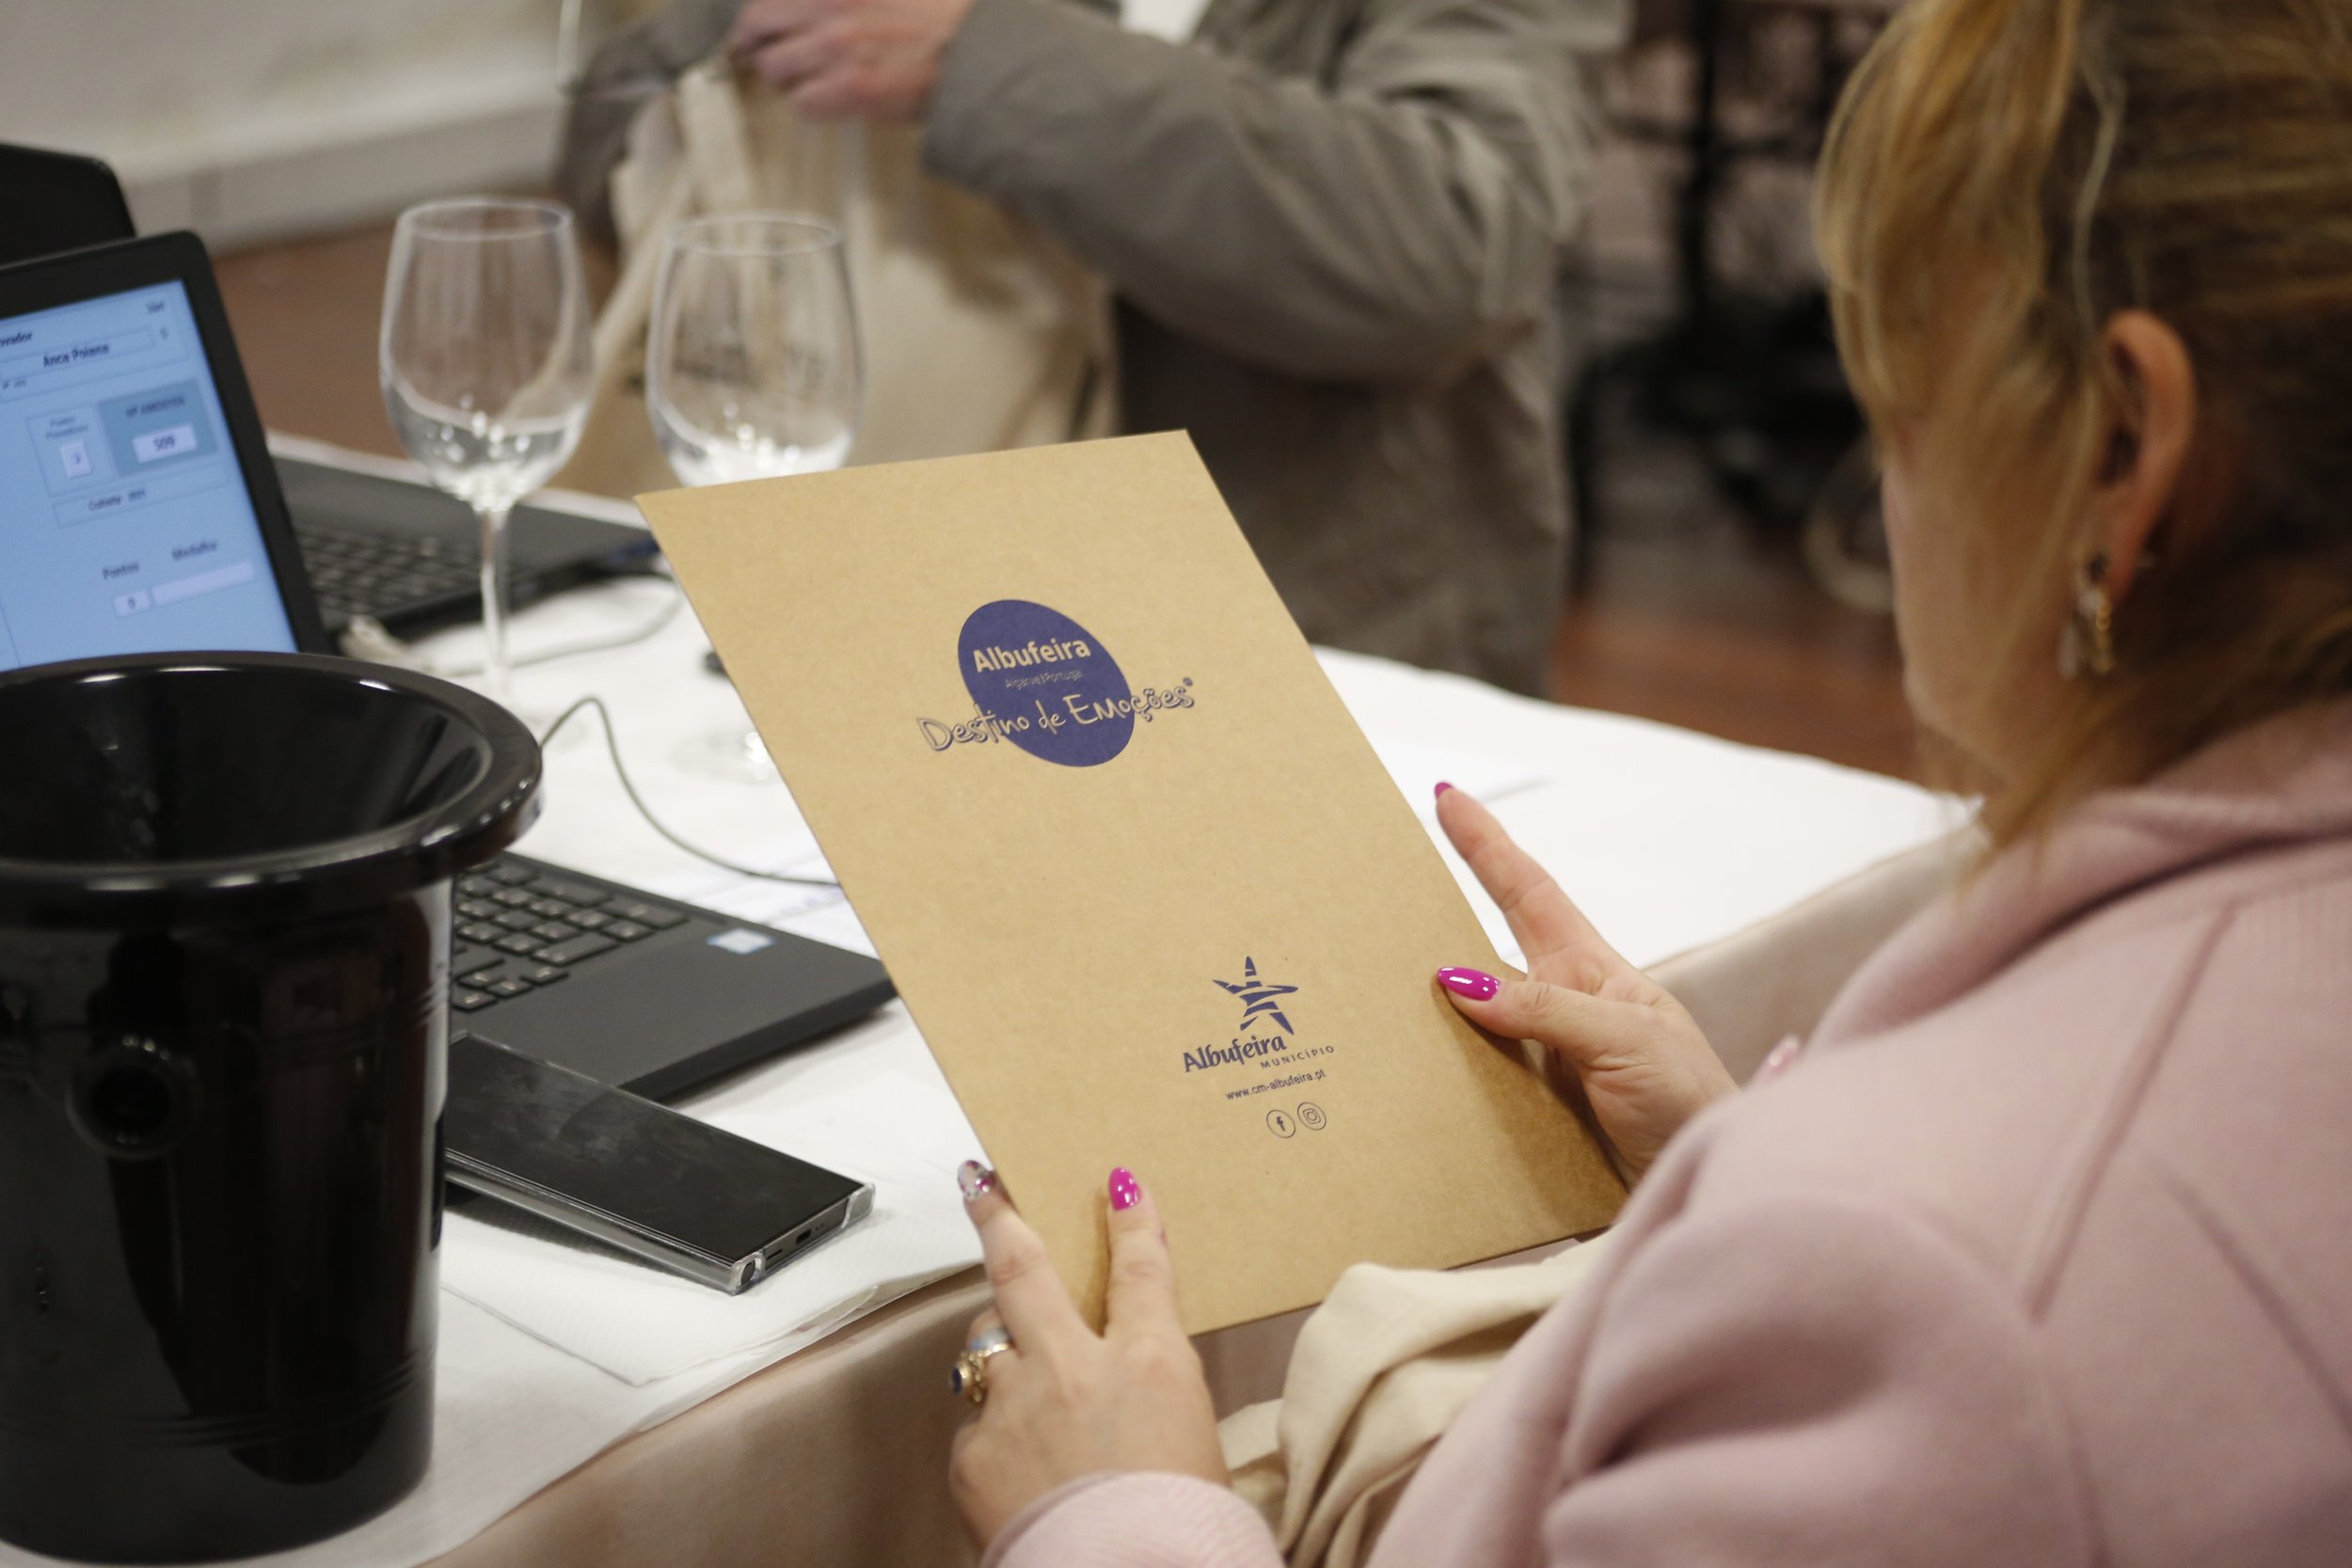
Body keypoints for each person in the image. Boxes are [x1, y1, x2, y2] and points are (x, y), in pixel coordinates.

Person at [937, 0, 2352, 1560]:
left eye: (1898, 395)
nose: (1879, 494)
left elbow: (2013, 1306)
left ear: (2118, 451)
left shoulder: (1952, 1279)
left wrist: (1117, 1509)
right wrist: (1725, 1162)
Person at [563, 0, 1628, 696]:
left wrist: (981, 61)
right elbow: (610, 176)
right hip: (866, 617)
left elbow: (1448, 250)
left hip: (1294, 637)